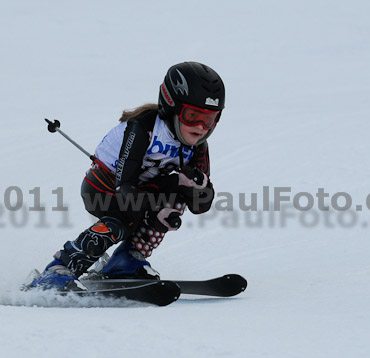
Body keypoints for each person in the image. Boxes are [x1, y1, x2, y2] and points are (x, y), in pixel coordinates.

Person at [30, 61, 225, 290]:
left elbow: (201, 205)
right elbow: (126, 191)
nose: (201, 127)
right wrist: (153, 213)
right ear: (171, 106)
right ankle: (59, 268)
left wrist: (198, 189)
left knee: (178, 196)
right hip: (105, 187)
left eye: (210, 119)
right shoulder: (143, 129)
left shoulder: (198, 146)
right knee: (121, 221)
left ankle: (127, 259)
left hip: (143, 191)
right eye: (192, 116)